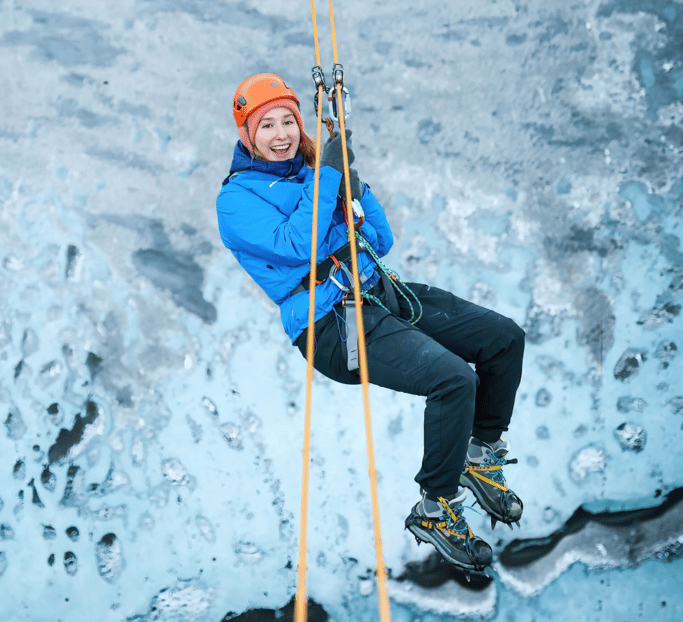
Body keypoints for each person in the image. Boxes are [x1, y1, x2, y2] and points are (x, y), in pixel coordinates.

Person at [216, 72, 526, 573]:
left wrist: (353, 183)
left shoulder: (318, 170)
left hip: (377, 292)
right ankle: (436, 509)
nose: (281, 135)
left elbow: (380, 240)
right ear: (247, 135)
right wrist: (330, 175)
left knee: (503, 339)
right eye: (266, 125)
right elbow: (302, 245)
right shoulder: (235, 201)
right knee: (453, 380)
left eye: (288, 121)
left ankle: (481, 453)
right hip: (329, 325)